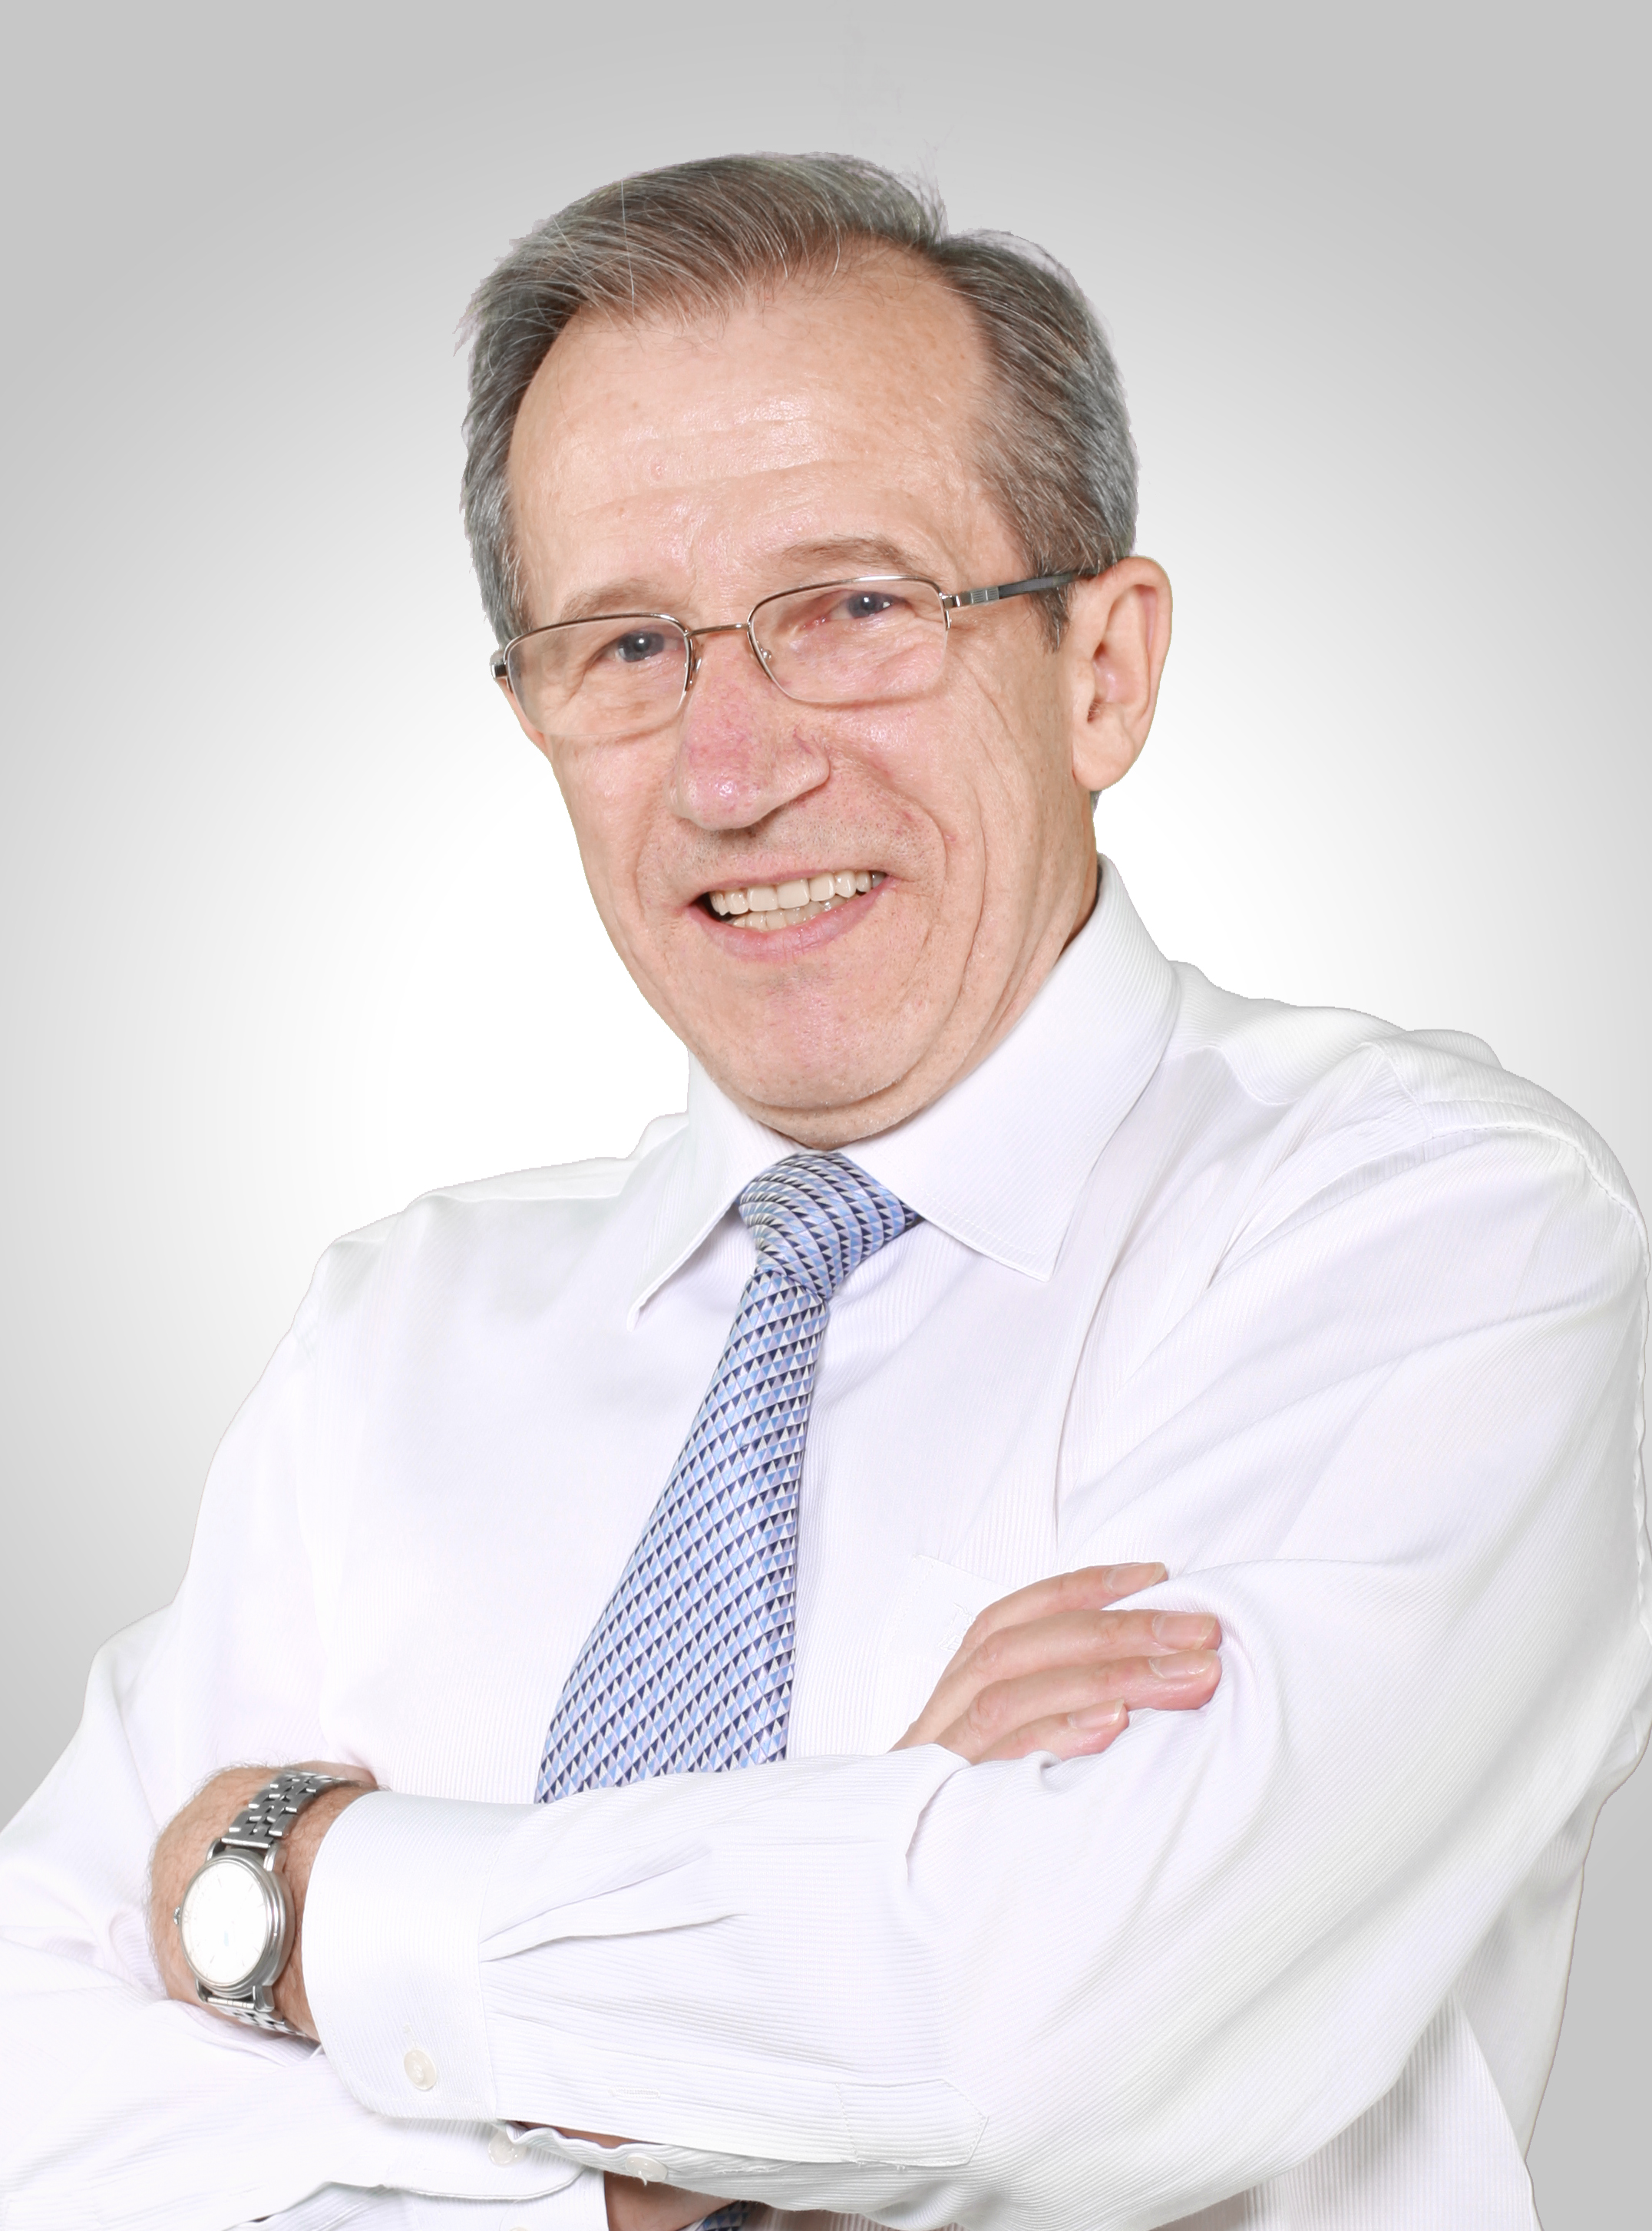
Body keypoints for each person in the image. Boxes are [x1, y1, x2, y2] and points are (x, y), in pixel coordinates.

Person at [1, 152, 1645, 2231]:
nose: (731, 767)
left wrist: (304, 1889)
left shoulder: (1430, 1234)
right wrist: (687, 2148)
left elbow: (1036, 2044)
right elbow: (32, 2104)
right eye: (627, 645)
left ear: (1104, 668)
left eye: (855, 608)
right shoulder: (398, 1332)